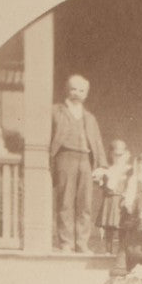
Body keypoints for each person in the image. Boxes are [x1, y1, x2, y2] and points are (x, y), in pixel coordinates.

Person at [50, 74, 108, 253]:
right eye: (73, 89)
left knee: (85, 203)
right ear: (67, 90)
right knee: (65, 201)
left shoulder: (89, 117)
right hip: (65, 157)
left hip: (85, 160)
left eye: (81, 90)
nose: (77, 93)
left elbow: (97, 142)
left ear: (86, 94)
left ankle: (82, 242)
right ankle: (66, 242)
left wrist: (101, 165)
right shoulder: (56, 111)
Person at [94, 139, 132, 254]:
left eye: (121, 155)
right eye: (115, 155)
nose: (118, 158)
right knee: (109, 227)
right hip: (110, 200)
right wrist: (101, 179)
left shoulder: (130, 170)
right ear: (111, 154)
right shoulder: (106, 170)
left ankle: (122, 252)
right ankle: (108, 251)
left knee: (122, 226)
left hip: (122, 200)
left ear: (127, 154)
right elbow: (102, 185)